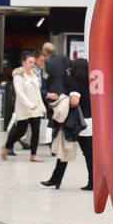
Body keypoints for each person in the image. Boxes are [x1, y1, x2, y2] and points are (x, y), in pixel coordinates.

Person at [41, 58, 94, 190]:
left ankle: (55, 180)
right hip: (88, 123)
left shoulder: (75, 84)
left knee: (65, 149)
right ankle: (92, 182)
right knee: (88, 154)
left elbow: (74, 102)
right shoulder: (89, 83)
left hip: (76, 123)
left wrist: (64, 100)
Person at [2, 51, 45, 162]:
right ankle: (7, 145)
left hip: (36, 108)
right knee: (20, 131)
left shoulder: (34, 74)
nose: (32, 64)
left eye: (33, 62)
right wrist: (29, 105)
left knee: (36, 131)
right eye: (30, 62)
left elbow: (37, 92)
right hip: (24, 108)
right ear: (23, 62)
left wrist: (42, 107)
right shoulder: (18, 76)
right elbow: (20, 93)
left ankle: (34, 154)